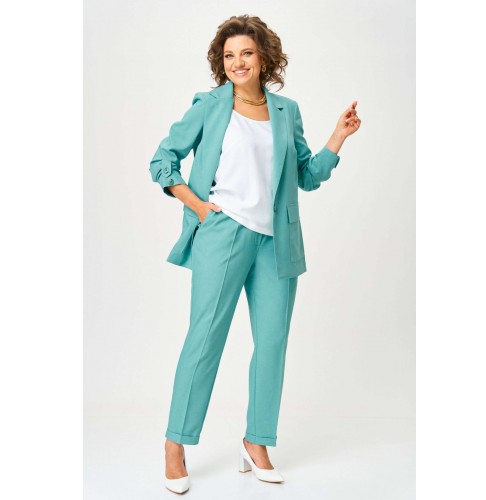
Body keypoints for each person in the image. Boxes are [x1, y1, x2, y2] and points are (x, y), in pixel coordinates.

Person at [149, 14, 361, 494]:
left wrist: (338, 137)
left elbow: (305, 175)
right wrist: (198, 206)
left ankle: (257, 441)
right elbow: (163, 160)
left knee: (271, 343)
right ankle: (175, 443)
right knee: (205, 339)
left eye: (246, 52)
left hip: (277, 242)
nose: (237, 62)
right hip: (223, 232)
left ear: (264, 57)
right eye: (229, 55)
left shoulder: (286, 111)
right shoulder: (209, 106)